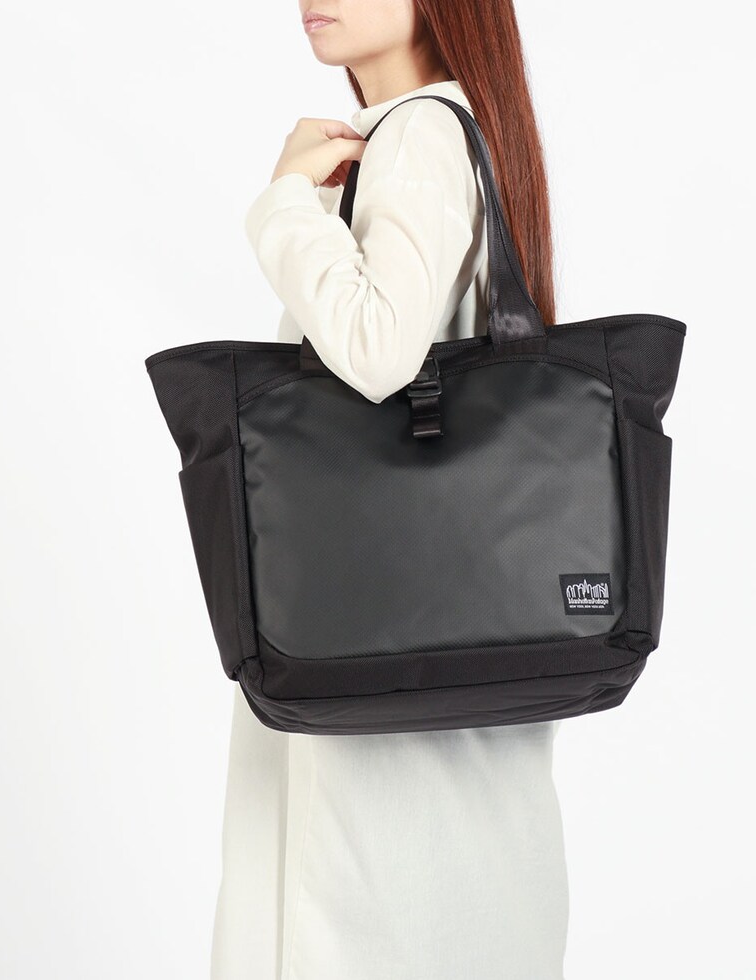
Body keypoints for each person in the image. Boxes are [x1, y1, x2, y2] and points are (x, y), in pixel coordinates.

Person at [211, 4, 569, 978]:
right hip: (452, 632)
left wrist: (285, 201)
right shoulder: (460, 133)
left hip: (372, 641)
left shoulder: (418, 134)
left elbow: (377, 349)